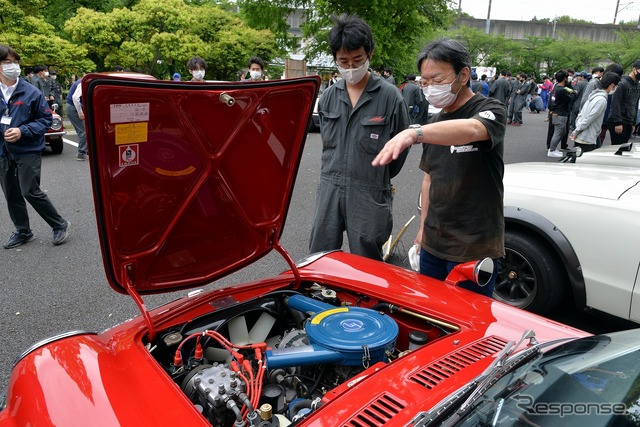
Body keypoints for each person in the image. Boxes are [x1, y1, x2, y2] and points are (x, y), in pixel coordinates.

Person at [371, 38, 506, 297]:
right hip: (434, 242)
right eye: (425, 82)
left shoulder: (490, 110)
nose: (430, 88)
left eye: (438, 79)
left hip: (474, 246)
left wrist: (414, 133)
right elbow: (429, 179)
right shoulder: (435, 121)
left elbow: (474, 129)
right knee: (432, 313)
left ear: (463, 75)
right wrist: (423, 229)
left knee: (468, 320)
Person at [308, 14, 410, 261]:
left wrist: (375, 175)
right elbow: (328, 146)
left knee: (369, 260)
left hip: (370, 190)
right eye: (343, 61)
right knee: (320, 257)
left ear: (370, 55)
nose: (351, 68)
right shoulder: (329, 96)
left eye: (357, 60)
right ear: (335, 59)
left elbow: (400, 149)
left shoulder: (390, 97)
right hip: (329, 187)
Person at [0, 45, 70, 248]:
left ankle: (59, 224)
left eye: (15, 62)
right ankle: (23, 231)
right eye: (6, 62)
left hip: (27, 149)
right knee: (11, 193)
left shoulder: (31, 92)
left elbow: (45, 119)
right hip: (3, 151)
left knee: (29, 190)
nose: (12, 66)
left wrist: (23, 131)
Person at [570, 72, 621, 152]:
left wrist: (577, 129)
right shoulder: (602, 100)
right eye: (616, 86)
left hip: (583, 136)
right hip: (588, 139)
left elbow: (581, 114)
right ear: (612, 85)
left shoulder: (593, 95)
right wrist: (576, 132)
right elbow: (589, 119)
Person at [607, 60, 640, 145]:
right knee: (617, 149)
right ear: (634, 69)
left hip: (629, 121)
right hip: (618, 121)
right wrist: (618, 122)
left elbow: (635, 104)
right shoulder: (622, 83)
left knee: (624, 148)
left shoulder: (637, 85)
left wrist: (633, 123)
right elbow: (615, 103)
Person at [548, 70, 575, 157]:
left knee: (559, 132)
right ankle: (552, 150)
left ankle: (553, 148)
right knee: (558, 132)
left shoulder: (556, 88)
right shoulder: (562, 90)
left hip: (556, 112)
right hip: (561, 113)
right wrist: (574, 93)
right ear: (565, 79)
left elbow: (551, 101)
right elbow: (570, 99)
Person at [66, 76, 87, 161]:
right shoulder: (82, 83)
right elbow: (75, 98)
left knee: (86, 130)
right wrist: (80, 112)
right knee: (83, 131)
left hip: (73, 107)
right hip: (73, 108)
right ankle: (81, 153)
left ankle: (86, 150)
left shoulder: (81, 82)